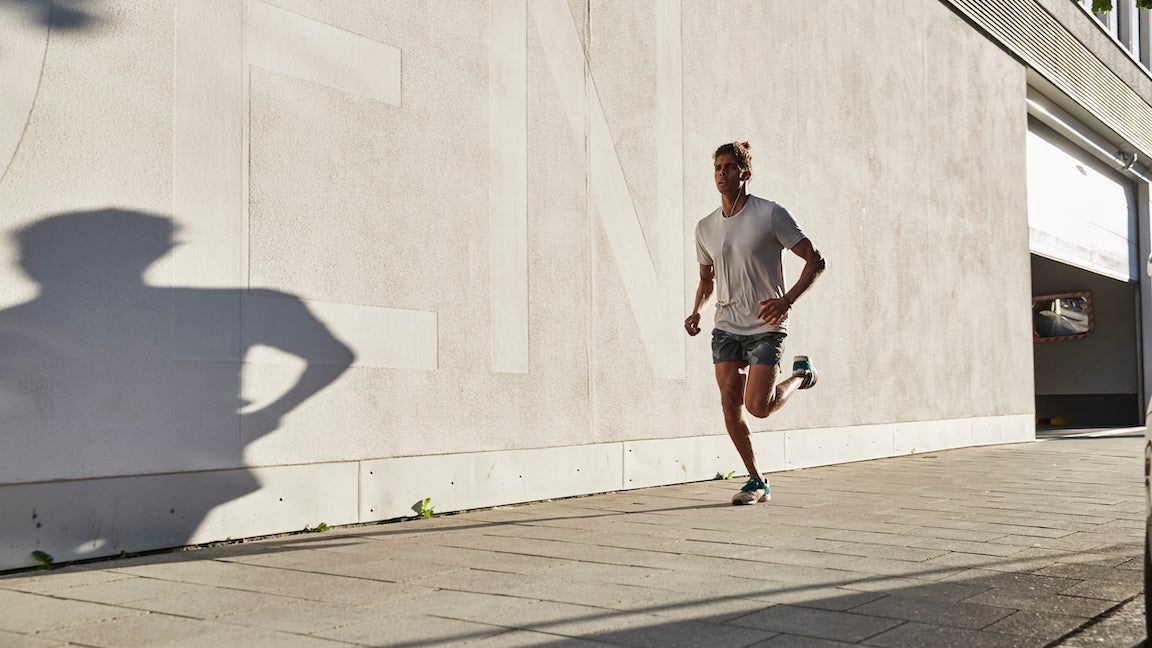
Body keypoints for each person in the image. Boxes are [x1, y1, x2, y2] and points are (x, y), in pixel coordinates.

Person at [684, 141, 826, 505]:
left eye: (729, 167)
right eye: (717, 167)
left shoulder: (771, 214)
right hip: (726, 326)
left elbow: (815, 261)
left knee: (758, 408)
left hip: (766, 324)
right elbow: (707, 278)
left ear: (745, 174)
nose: (721, 173)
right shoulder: (705, 227)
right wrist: (698, 309)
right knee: (730, 404)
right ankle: (756, 480)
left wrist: (787, 300)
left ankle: (800, 376)